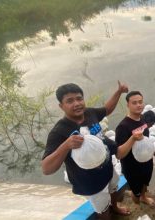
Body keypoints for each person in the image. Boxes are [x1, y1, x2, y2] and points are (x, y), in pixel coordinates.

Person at [41, 81, 134, 220]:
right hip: (89, 182)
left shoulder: (89, 113)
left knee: (113, 189)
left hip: (108, 168)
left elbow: (106, 109)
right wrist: (66, 145)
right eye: (70, 101)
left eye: (79, 98)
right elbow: (46, 169)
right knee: (102, 211)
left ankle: (115, 207)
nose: (77, 103)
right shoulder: (59, 131)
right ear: (61, 106)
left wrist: (119, 92)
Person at [115, 91, 155, 206]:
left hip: (146, 161)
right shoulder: (123, 127)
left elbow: (145, 138)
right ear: (128, 105)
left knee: (145, 183)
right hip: (132, 166)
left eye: (140, 102)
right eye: (134, 103)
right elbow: (119, 154)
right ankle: (137, 200)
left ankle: (143, 197)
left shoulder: (143, 119)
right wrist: (132, 138)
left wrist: (151, 149)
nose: (139, 105)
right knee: (136, 190)